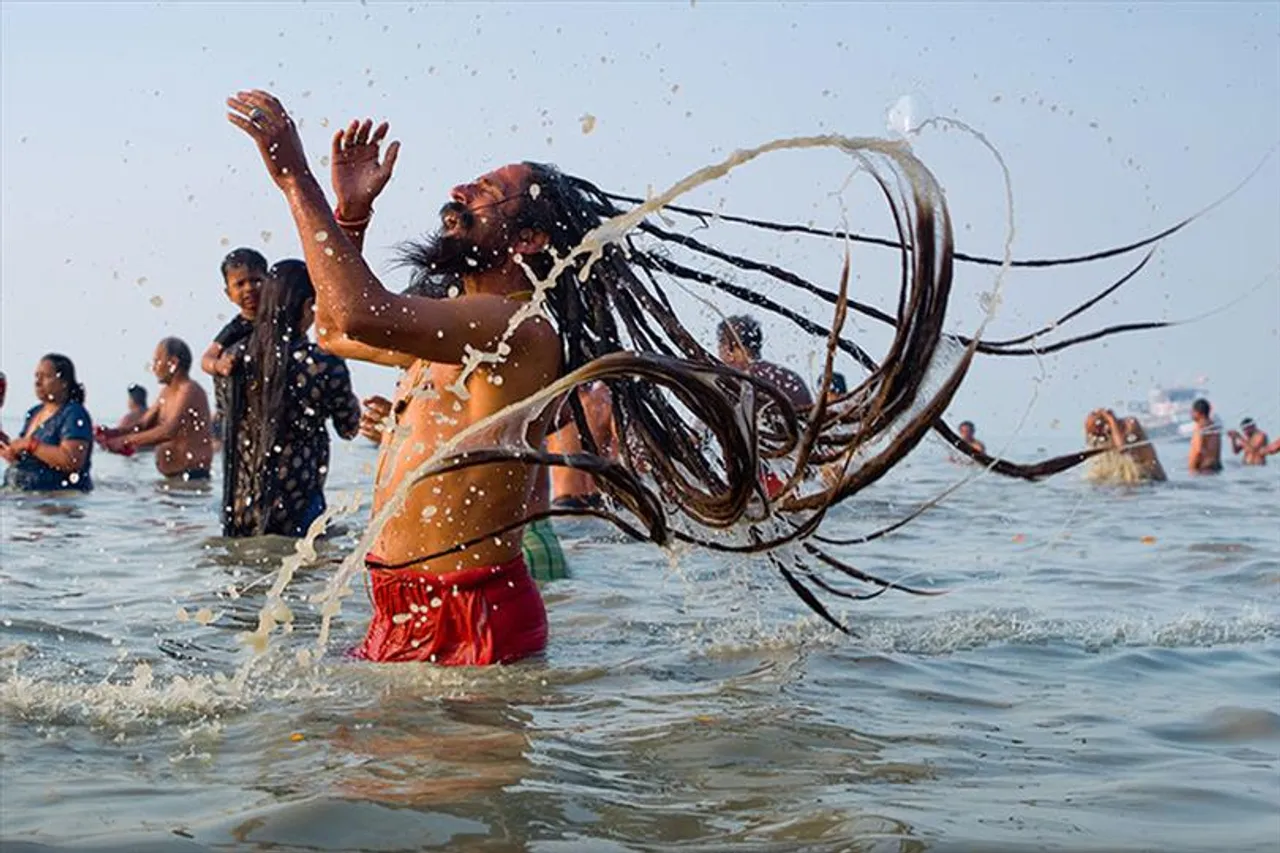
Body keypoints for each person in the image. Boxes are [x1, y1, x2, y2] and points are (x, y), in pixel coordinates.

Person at [222, 260, 361, 537]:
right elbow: (349, 428)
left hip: (240, 507)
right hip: (299, 504)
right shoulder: (321, 363)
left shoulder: (235, 359)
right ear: (308, 304)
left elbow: (226, 418)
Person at [97, 338, 214, 479]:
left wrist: (126, 441)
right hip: (174, 479)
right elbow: (143, 425)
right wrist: (111, 433)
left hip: (192, 479)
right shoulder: (166, 392)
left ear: (173, 363)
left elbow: (169, 431)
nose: (153, 368)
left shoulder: (189, 390)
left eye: (157, 361)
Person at [0, 354, 93, 491]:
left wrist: (29, 444)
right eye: (36, 376)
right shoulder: (33, 413)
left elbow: (72, 461)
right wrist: (10, 449)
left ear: (64, 382)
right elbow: (33, 459)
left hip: (57, 501)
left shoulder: (73, 414)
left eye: (46, 377)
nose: (38, 382)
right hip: (24, 497)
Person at [201, 247, 267, 442]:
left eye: (256, 280)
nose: (249, 288)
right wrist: (219, 366)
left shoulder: (280, 321)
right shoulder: (235, 329)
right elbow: (206, 359)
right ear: (228, 293)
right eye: (240, 284)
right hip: (241, 416)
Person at [548, 381, 617, 511]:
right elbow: (635, 461)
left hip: (564, 503)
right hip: (602, 502)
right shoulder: (604, 399)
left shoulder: (555, 406)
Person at [1083, 408, 1167, 483]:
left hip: (1154, 479)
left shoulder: (1130, 424)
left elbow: (1122, 448)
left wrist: (1111, 420)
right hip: (1136, 481)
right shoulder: (1108, 435)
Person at [1187, 398, 1222, 474]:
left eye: (1192, 412)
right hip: (1216, 467)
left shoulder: (1200, 427)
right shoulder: (1215, 427)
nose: (1191, 414)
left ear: (1198, 412)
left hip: (1202, 470)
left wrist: (1192, 470)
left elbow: (1198, 450)